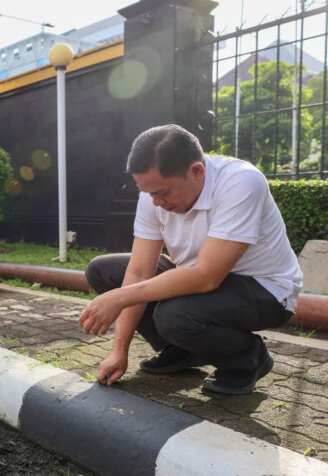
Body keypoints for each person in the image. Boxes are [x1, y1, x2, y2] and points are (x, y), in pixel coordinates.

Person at [81, 124, 302, 395]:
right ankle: (182, 350)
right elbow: (138, 273)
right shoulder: (152, 198)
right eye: (149, 193)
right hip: (201, 280)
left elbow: (207, 276)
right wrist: (119, 351)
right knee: (105, 271)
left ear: (197, 171)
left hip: (265, 289)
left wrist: (119, 298)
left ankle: (248, 358)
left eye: (162, 192)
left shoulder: (241, 182)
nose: (156, 202)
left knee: (175, 315)